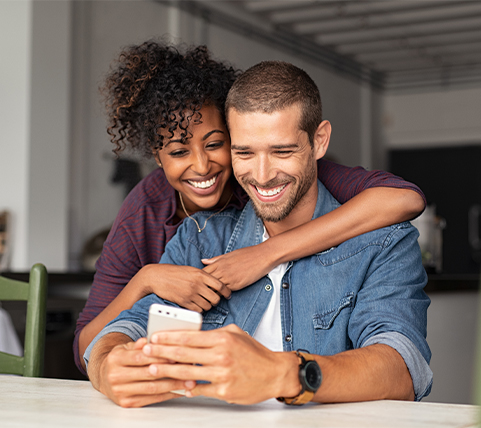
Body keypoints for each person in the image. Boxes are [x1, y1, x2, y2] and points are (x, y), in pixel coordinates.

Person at [84, 60, 432, 408]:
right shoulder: (198, 238)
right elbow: (122, 329)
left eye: (282, 151)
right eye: (244, 152)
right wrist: (106, 367)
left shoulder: (384, 242)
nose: (263, 175)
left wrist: (283, 373)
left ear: (319, 141)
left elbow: (401, 369)